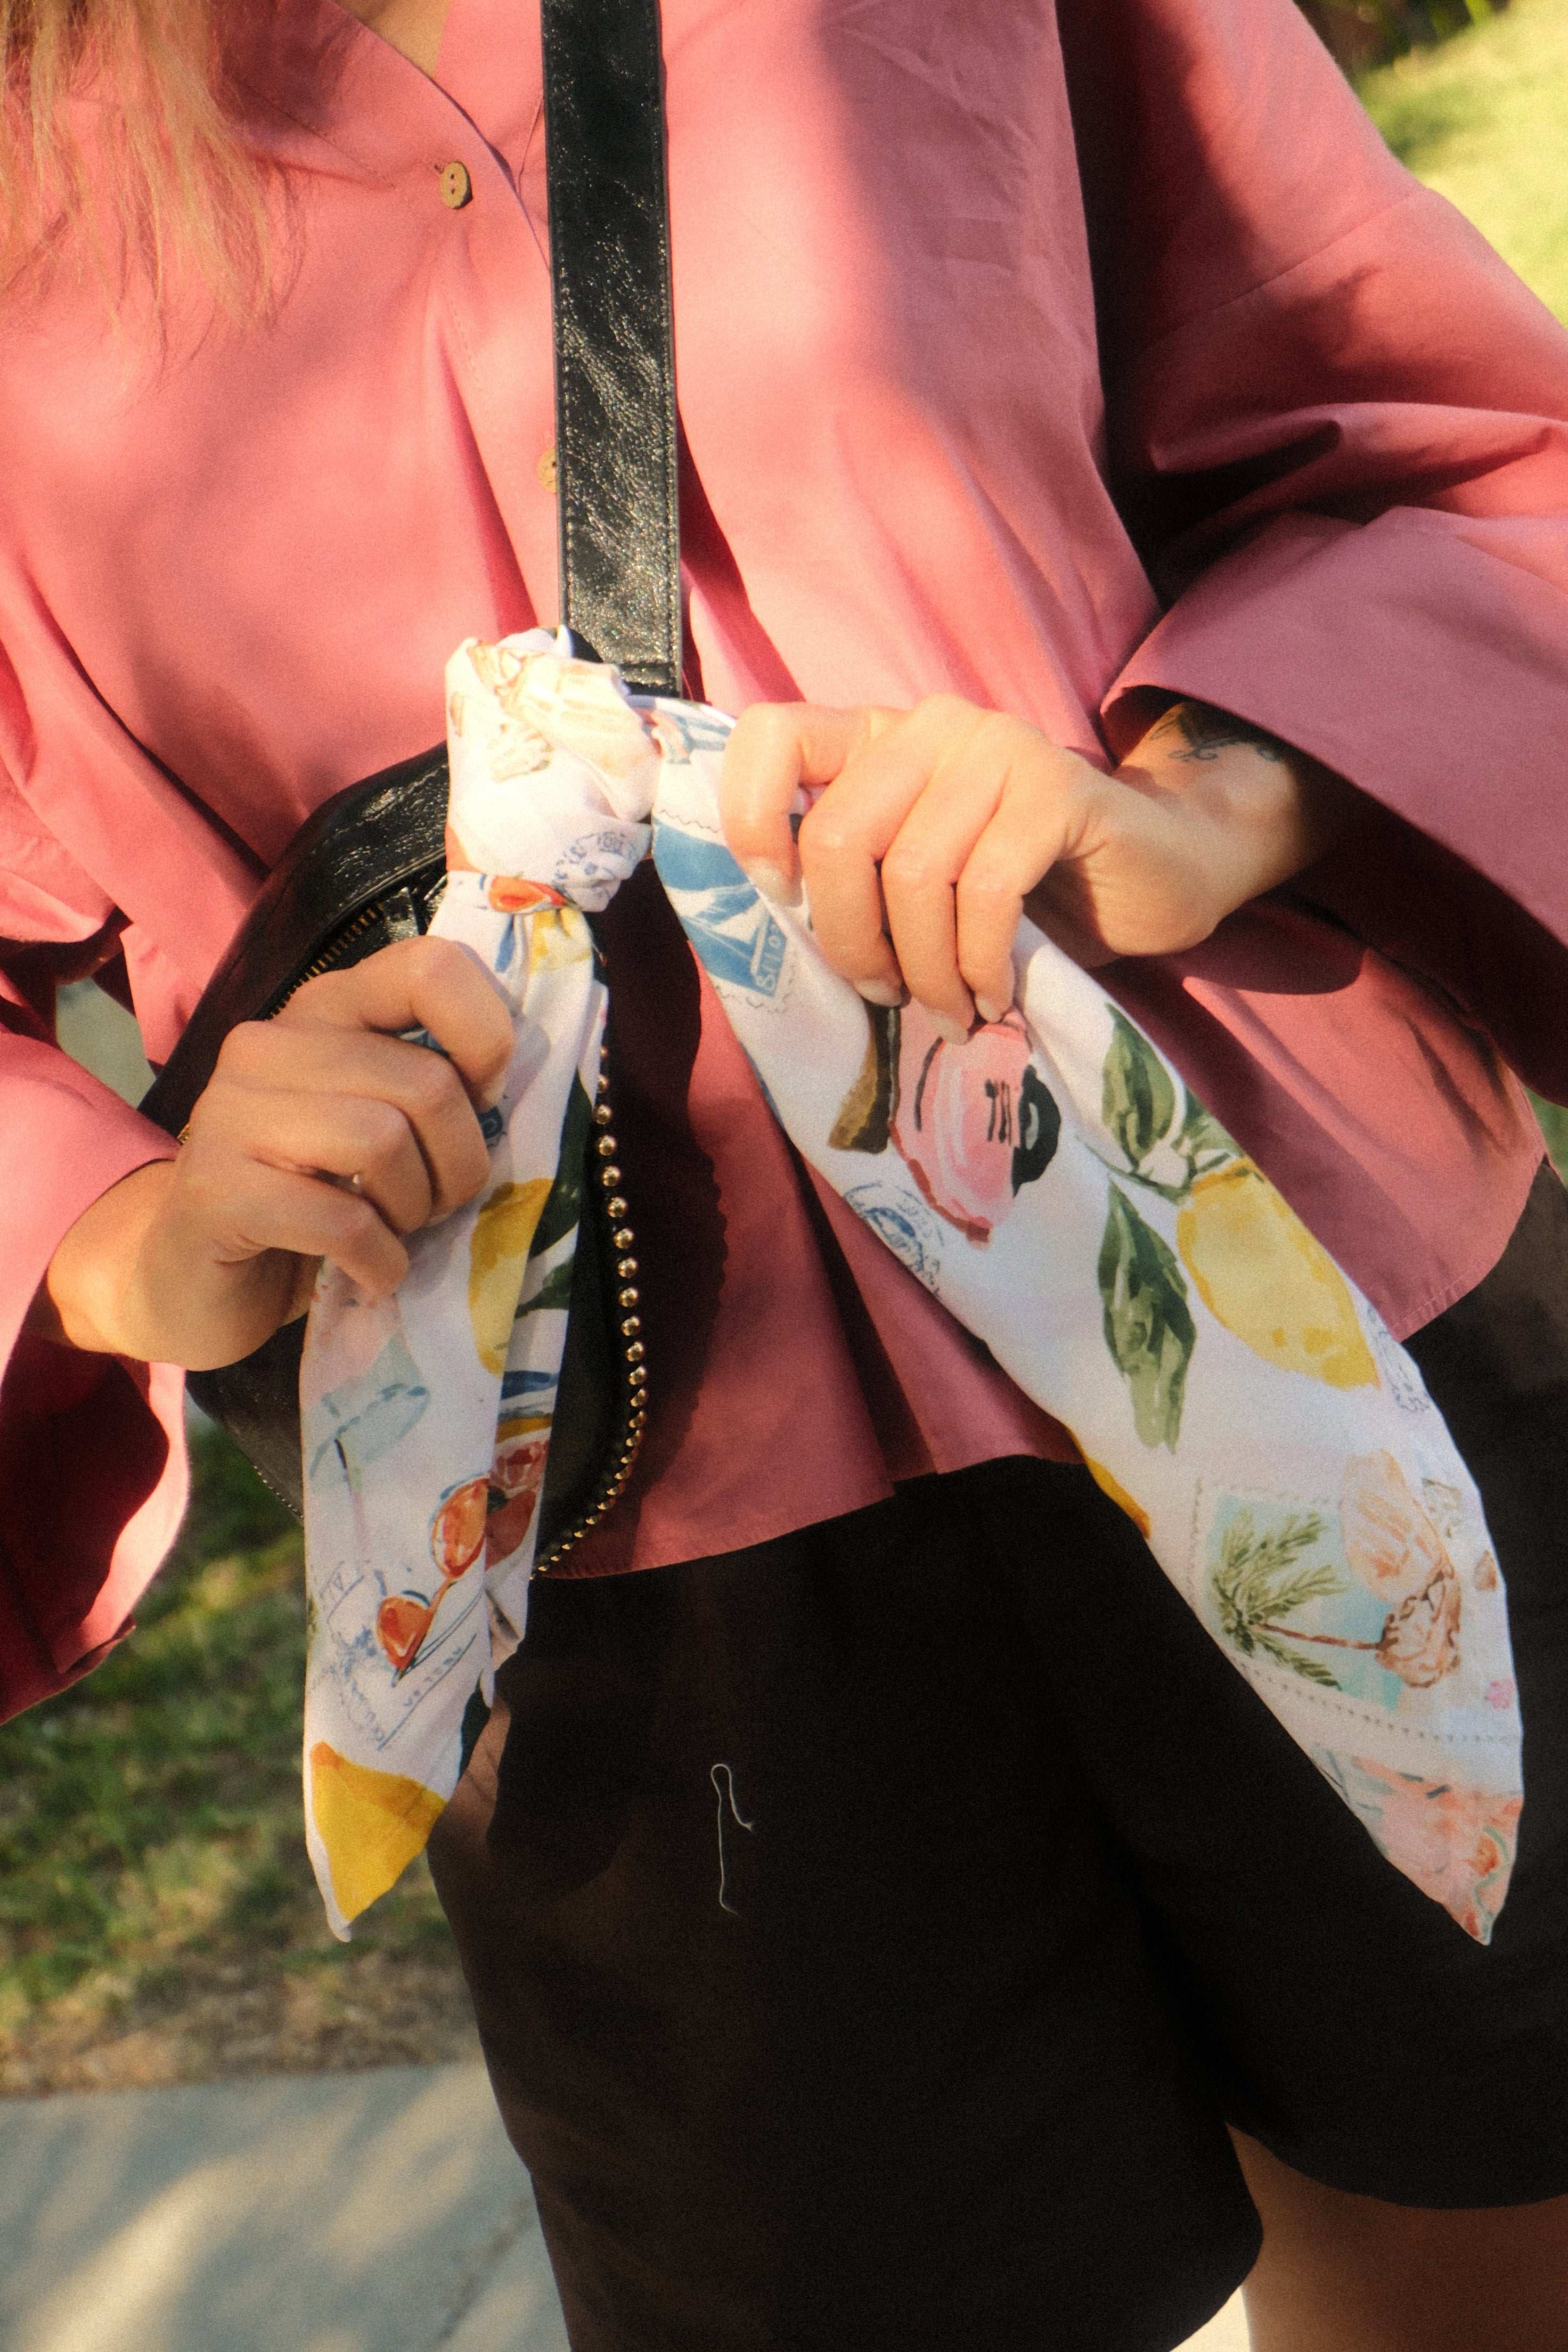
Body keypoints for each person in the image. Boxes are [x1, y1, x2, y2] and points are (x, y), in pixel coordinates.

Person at [3, 0, 1568, 2343]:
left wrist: (1205, 805)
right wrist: (140, 1234)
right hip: (620, 1566)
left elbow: (1451, 443)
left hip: (1291, 1323)